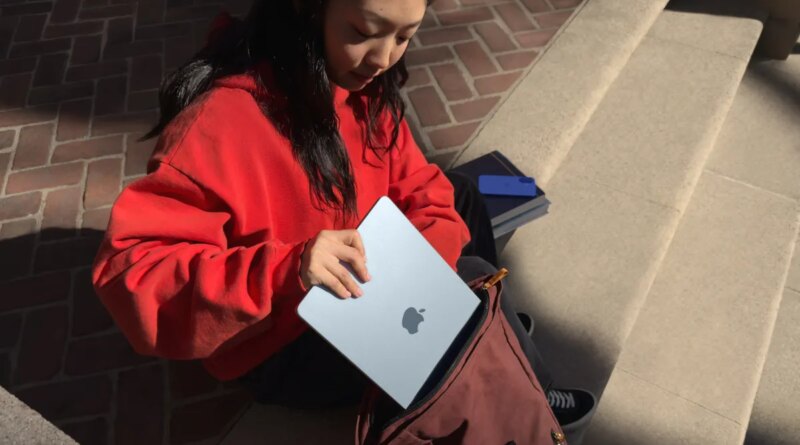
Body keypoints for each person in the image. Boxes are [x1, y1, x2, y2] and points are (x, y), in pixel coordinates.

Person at [91, 0, 594, 432]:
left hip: (358, 287)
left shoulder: (365, 91)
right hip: (283, 336)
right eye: (363, 32)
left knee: (464, 199)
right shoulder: (220, 125)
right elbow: (133, 274)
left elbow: (424, 187)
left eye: (404, 36)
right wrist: (288, 269)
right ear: (309, 8)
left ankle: (481, 333)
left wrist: (426, 279)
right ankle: (519, 384)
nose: (382, 58)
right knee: (470, 281)